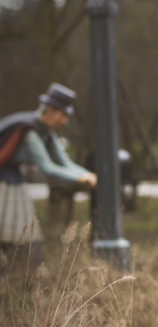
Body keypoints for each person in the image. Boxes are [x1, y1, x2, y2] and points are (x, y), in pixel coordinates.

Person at [0, 83, 97, 263]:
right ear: (50, 111)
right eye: (63, 115)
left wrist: (89, 175)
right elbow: (47, 167)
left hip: (15, 178)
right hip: (4, 181)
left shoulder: (46, 134)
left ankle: (20, 270)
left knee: (21, 225)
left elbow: (65, 163)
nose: (64, 121)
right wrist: (81, 178)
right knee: (7, 225)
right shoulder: (30, 133)